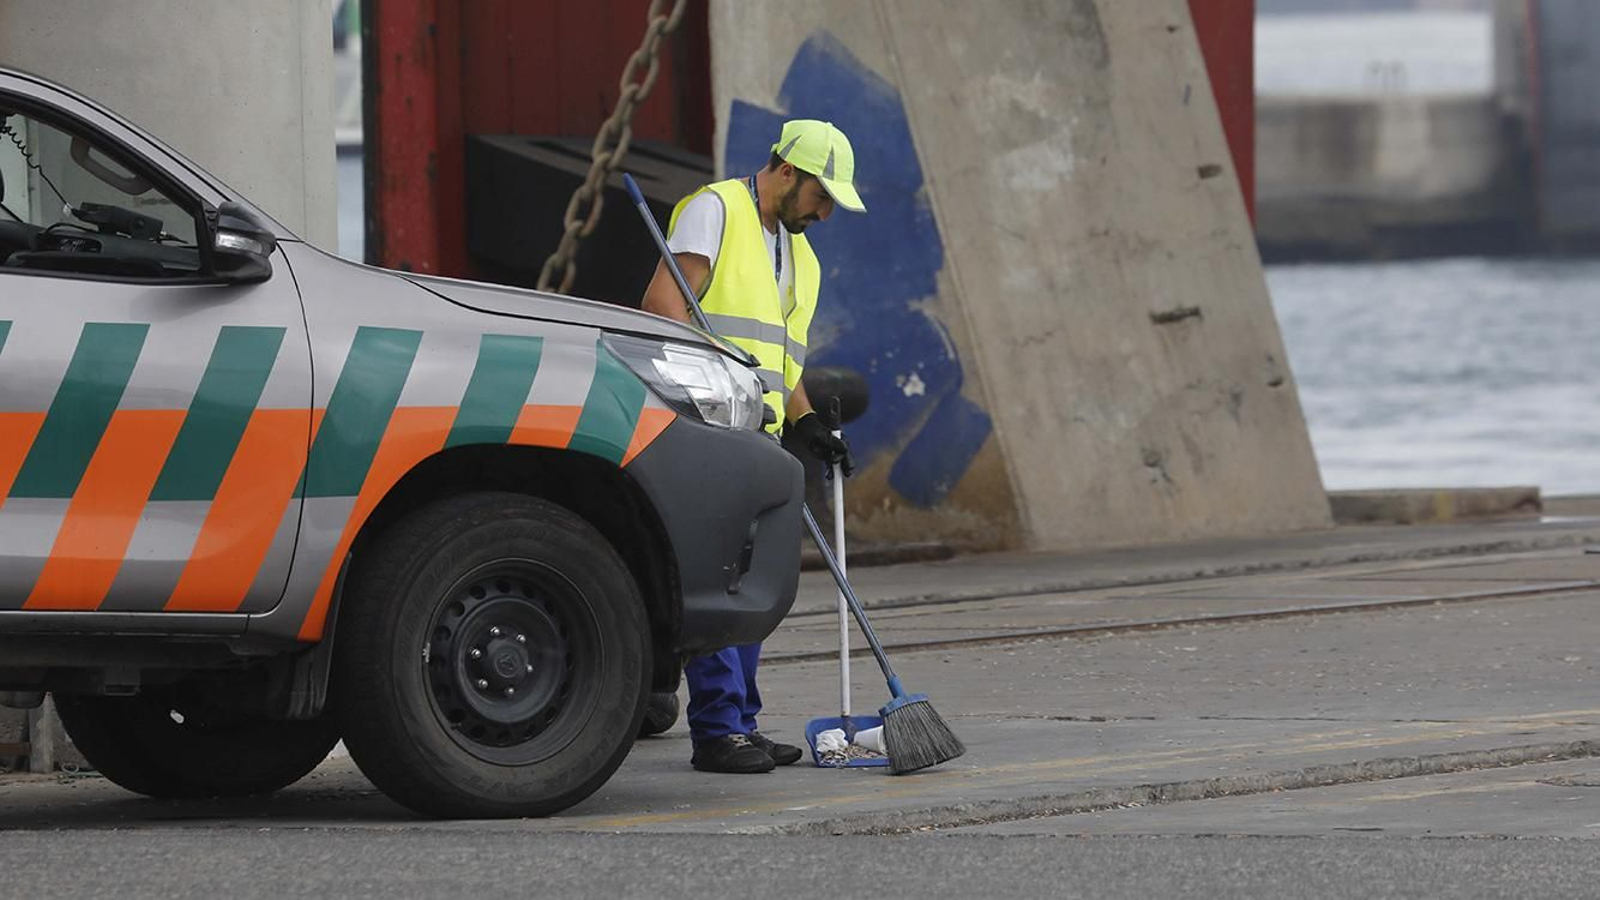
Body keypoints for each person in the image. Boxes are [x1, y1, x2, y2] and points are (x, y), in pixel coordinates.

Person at [640, 119, 864, 773]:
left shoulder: (801, 257)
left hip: (758, 439)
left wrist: (808, 423)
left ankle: (741, 721)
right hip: (705, 428)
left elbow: (782, 363)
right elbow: (660, 307)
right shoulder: (715, 211)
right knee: (719, 582)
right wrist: (713, 385)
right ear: (788, 172)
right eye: (822, 196)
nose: (825, 212)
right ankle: (716, 732)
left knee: (751, 590)